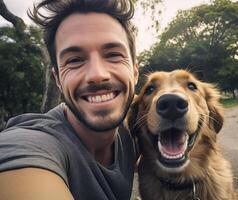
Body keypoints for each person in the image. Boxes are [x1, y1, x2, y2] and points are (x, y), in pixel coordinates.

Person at [0, 0, 139, 199]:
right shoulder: (31, 144)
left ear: (134, 71)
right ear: (57, 78)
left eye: (113, 55)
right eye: (74, 60)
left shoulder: (133, 131)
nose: (97, 74)